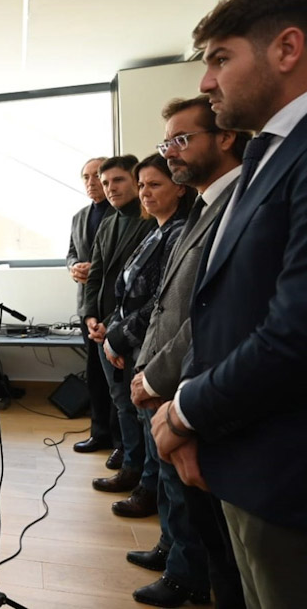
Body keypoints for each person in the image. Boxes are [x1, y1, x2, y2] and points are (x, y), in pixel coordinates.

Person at [151, 0, 307, 609]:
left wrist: (186, 409)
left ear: (287, 48)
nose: (207, 82)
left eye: (220, 59)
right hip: (247, 460)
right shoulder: (275, 153)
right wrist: (196, 425)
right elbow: (218, 305)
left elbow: (304, 335)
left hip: (305, 481)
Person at [129, 96, 247, 608]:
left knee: (202, 509)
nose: (170, 152)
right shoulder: (204, 206)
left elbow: (210, 313)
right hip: (166, 372)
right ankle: (183, 562)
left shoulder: (237, 204)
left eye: (182, 139)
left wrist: (157, 376)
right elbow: (164, 301)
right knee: (184, 499)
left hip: (196, 382)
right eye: (166, 142)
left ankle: (187, 575)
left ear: (225, 137)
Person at [100, 155, 192, 522]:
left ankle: (153, 499)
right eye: (142, 186)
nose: (144, 192)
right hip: (130, 339)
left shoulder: (180, 232)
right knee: (135, 419)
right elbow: (124, 293)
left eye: (154, 184)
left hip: (153, 346)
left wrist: (118, 337)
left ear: (179, 188)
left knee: (156, 437)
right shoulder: (156, 230)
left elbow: (161, 303)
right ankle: (142, 482)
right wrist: (110, 329)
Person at [81, 155, 155, 491]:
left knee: (139, 404)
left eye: (119, 181)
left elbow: (143, 288)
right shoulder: (108, 221)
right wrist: (90, 317)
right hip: (102, 330)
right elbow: (95, 274)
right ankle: (130, 465)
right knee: (120, 401)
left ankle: (144, 476)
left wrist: (110, 325)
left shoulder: (150, 221)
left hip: (134, 330)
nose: (111, 188)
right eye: (105, 182)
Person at [66, 157, 120, 457]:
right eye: (85, 177)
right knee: (95, 374)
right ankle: (99, 433)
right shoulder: (79, 217)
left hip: (114, 305)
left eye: (96, 176)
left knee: (116, 377)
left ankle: (120, 440)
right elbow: (71, 253)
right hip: (87, 305)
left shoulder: (127, 213)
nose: (91, 182)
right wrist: (75, 267)